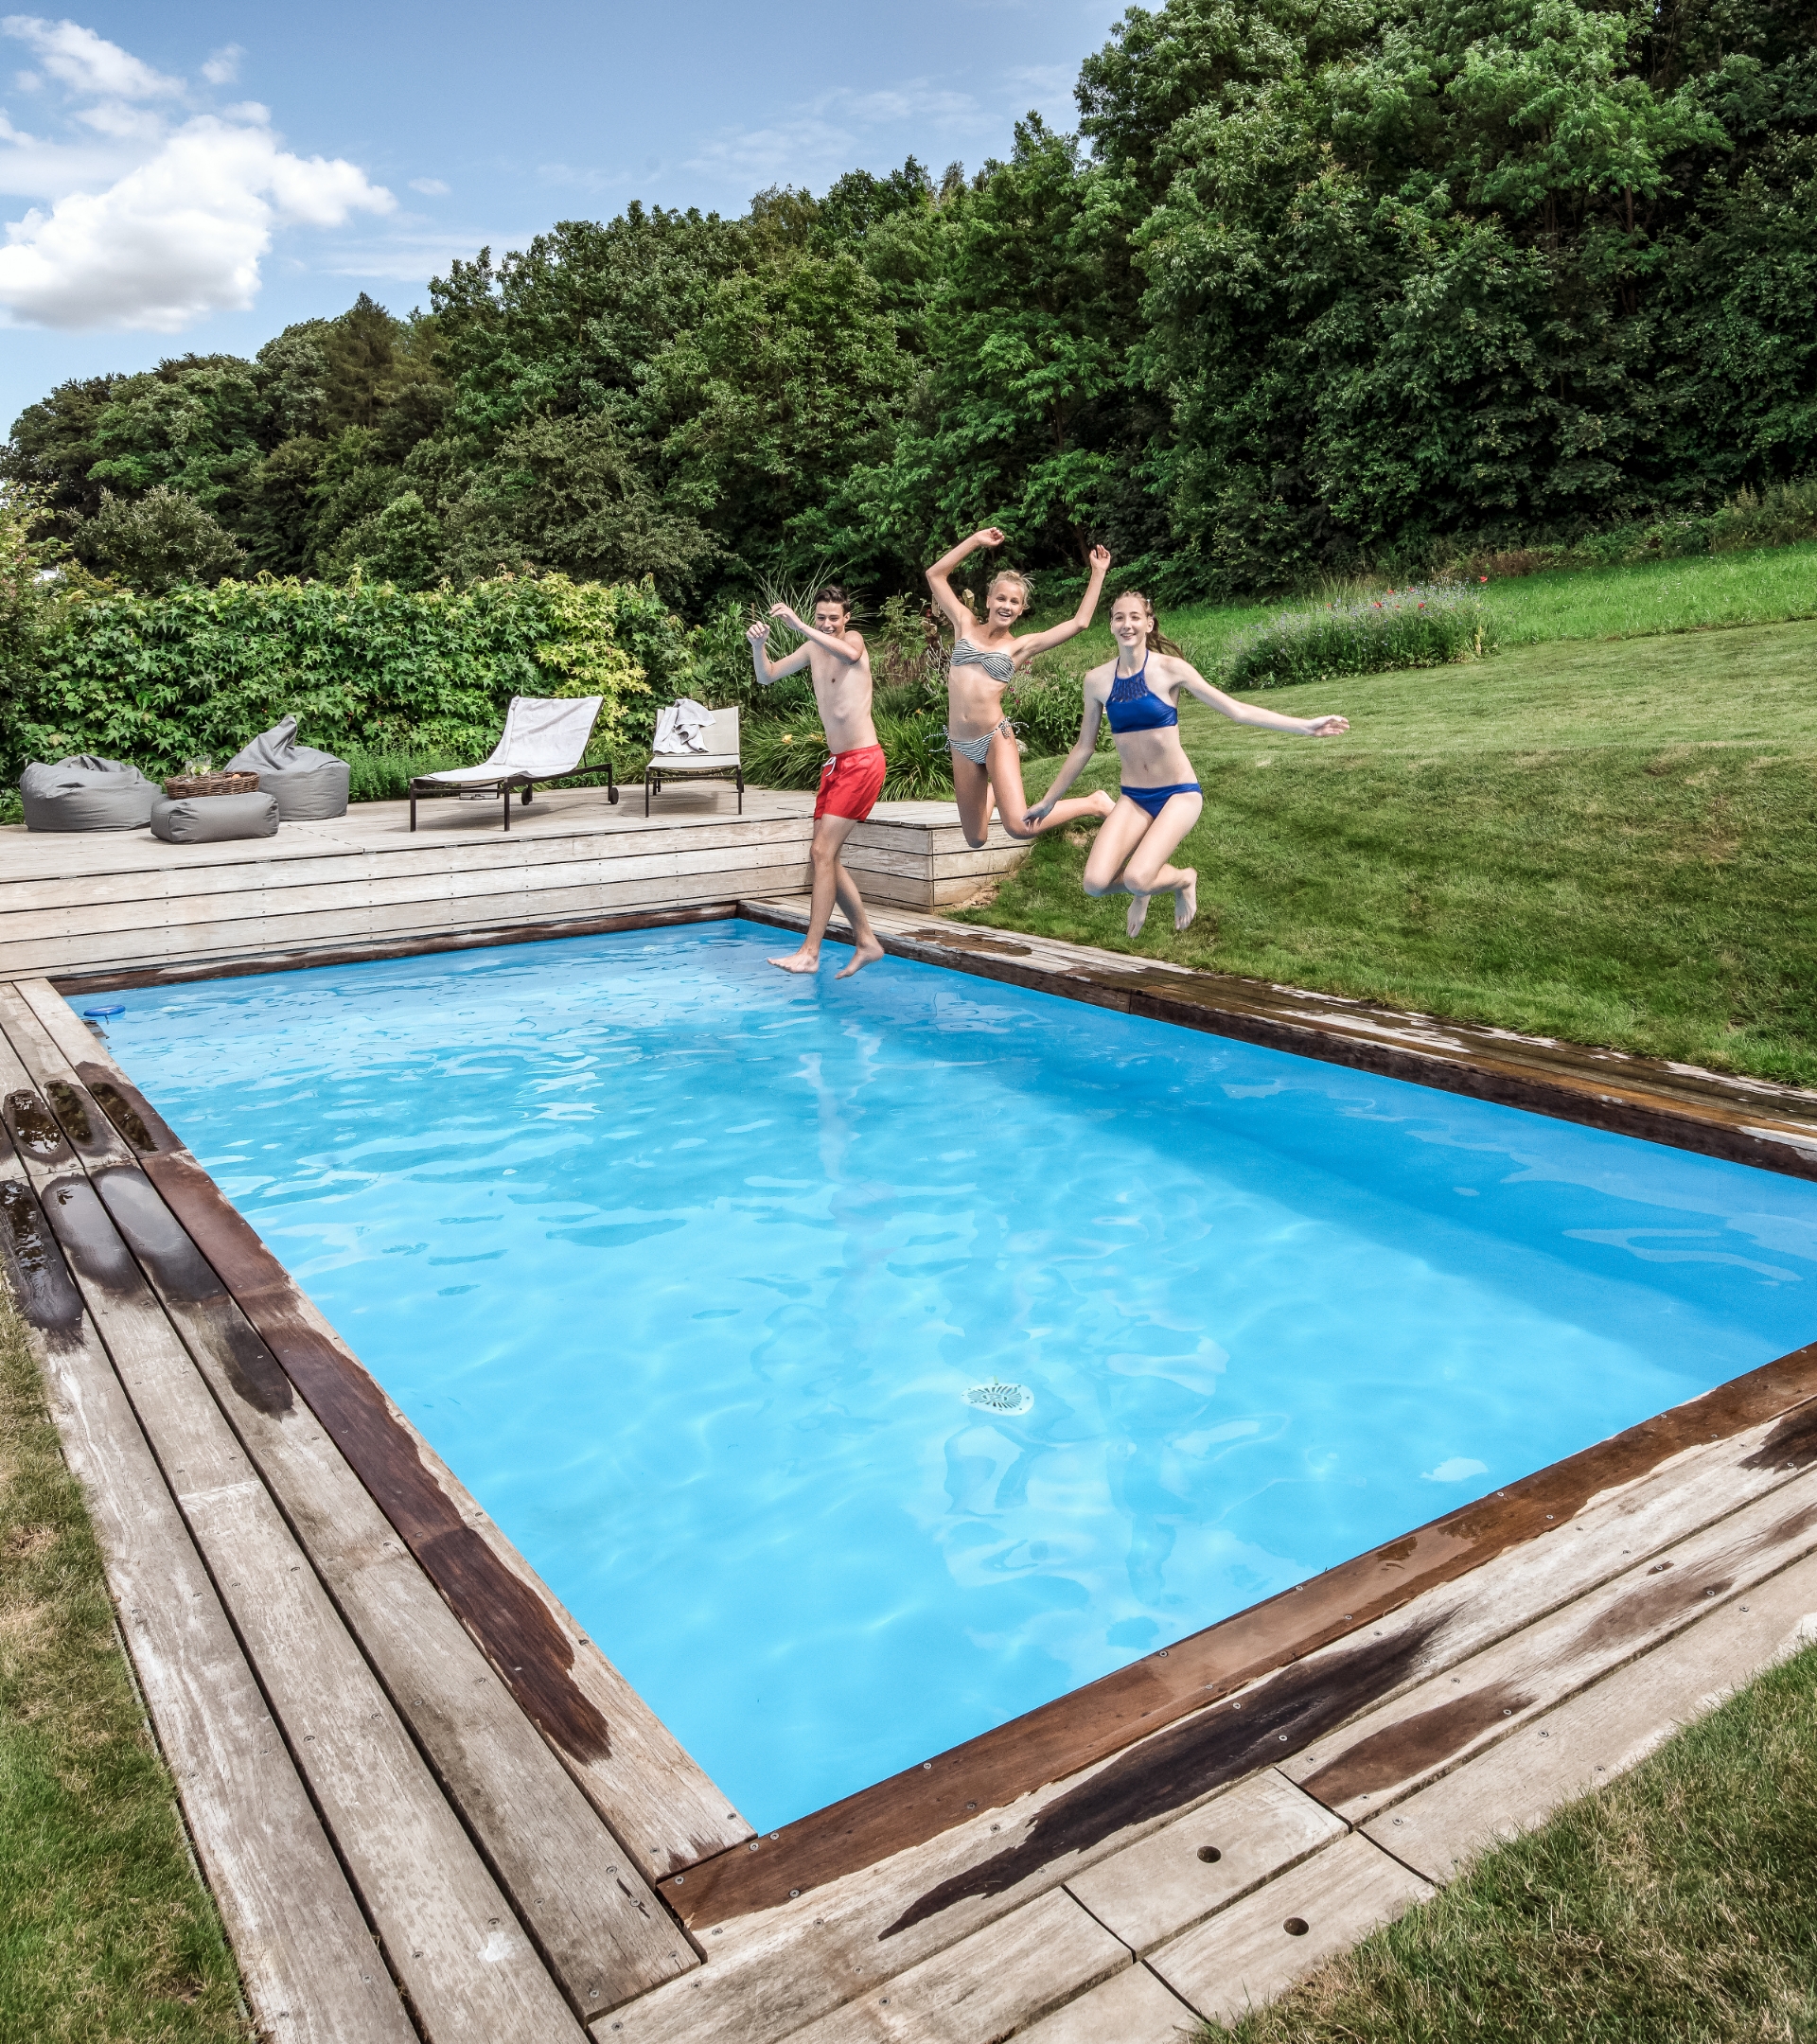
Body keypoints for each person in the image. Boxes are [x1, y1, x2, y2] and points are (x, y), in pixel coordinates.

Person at [1028, 589, 1350, 936]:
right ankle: (1146, 887)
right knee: (1094, 883)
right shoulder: (1096, 681)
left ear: (1149, 623)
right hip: (1134, 797)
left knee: (1137, 878)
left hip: (1178, 793)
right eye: (1119, 617)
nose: (1127, 624)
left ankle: (1183, 879)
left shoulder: (1170, 670)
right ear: (1110, 625)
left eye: (1135, 617)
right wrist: (1049, 801)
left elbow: (1237, 711)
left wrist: (1305, 726)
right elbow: (1083, 747)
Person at [925, 528, 1118, 850]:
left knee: (1019, 827)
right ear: (988, 600)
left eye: (1014, 602)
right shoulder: (964, 623)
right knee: (975, 838)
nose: (1006, 605)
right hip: (959, 742)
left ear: (1021, 608)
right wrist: (976, 541)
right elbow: (935, 575)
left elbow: (1080, 623)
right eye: (1001, 598)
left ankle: (1094, 802)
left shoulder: (1021, 646)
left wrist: (1097, 573)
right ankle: (995, 791)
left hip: (994, 738)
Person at [748, 588, 887, 977]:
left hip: (862, 761)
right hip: (837, 764)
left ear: (846, 618)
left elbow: (851, 655)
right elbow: (766, 676)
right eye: (820, 617)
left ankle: (810, 952)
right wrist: (758, 647)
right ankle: (866, 941)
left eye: (833, 618)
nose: (827, 624)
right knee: (824, 855)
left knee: (822, 852)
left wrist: (798, 624)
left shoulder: (853, 640)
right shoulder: (812, 649)